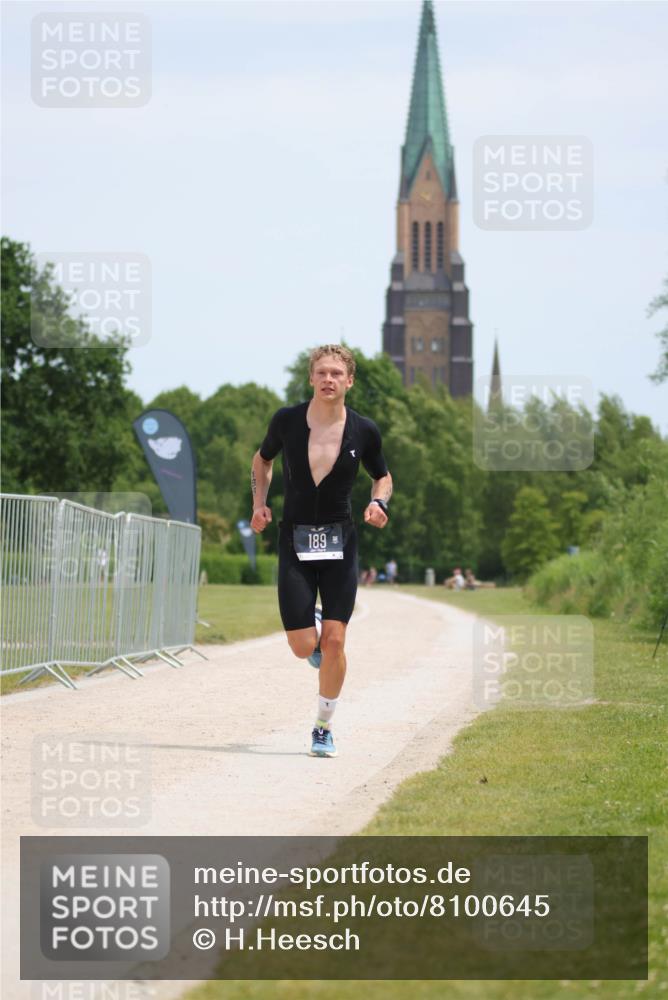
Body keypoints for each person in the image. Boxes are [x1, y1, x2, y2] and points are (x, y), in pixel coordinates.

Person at [250, 345, 392, 758]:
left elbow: (382, 477)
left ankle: (322, 727)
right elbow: (262, 462)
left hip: (339, 543)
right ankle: (310, 630)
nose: (328, 379)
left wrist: (378, 503)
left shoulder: (364, 431)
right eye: (321, 372)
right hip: (294, 539)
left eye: (336, 373)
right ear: (311, 379)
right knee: (301, 646)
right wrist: (259, 503)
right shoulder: (287, 421)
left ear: (349, 381)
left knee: (334, 641)